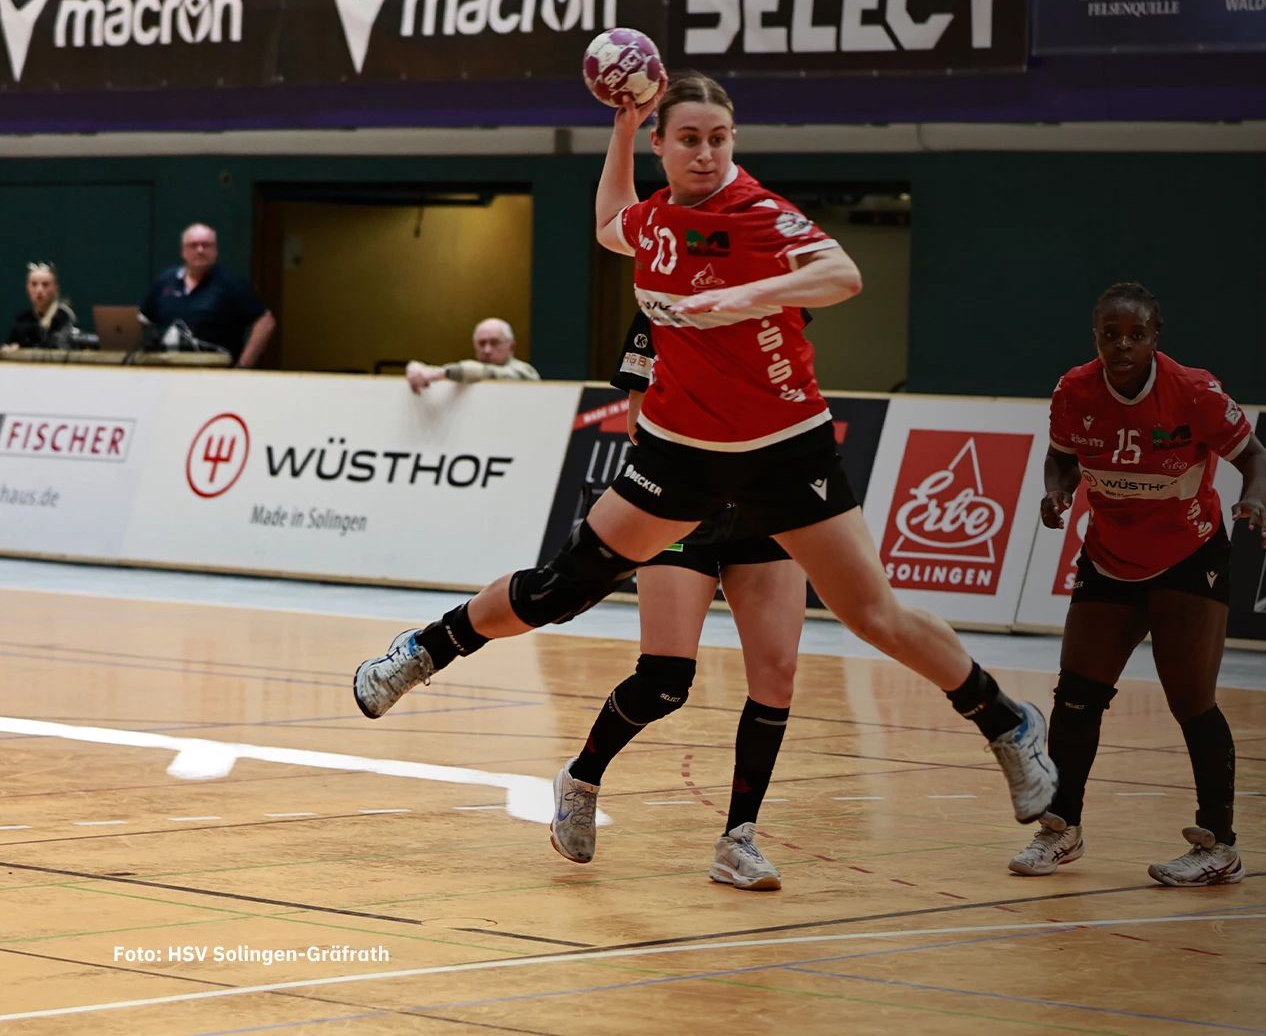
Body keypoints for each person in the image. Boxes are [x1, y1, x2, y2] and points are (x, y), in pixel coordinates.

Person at [350, 72, 1057, 829]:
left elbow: (842, 275)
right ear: (661, 144)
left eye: (719, 139)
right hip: (680, 451)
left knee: (872, 616)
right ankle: (424, 650)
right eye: (689, 139)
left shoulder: (756, 212)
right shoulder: (654, 218)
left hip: (783, 448)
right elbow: (610, 223)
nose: (707, 153)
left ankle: (1007, 722)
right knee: (563, 587)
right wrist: (622, 128)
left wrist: (749, 295)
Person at [1007, 282, 1266, 886]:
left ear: (1156, 338)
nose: (1123, 345)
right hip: (1108, 556)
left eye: (1136, 334)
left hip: (1189, 556)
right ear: (1095, 338)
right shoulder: (1074, 391)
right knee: (1076, 696)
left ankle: (1220, 846)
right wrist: (1056, 490)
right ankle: (1061, 829)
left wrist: (1256, 501)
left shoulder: (1195, 391)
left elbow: (1259, 459)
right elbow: (1061, 456)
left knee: (1191, 702)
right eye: (1111, 334)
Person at [549, 319, 803, 889]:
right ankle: (582, 778)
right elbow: (638, 424)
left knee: (777, 676)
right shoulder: (663, 310)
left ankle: (737, 840)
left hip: (766, 507)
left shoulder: (778, 308)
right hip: (685, 504)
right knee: (666, 680)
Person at [138, 224, 276, 367]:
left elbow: (265, 322)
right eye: (193, 245)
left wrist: (242, 366)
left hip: (216, 371)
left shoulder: (232, 284)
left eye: (206, 245)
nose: (200, 250)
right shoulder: (165, 281)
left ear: (215, 250)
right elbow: (141, 321)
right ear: (183, 251)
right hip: (168, 370)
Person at [405, 318, 540, 393]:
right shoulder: (466, 374)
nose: (487, 350)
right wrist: (417, 369)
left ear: (511, 346)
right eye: (482, 343)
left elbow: (487, 373)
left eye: (494, 343)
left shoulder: (526, 372)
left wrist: (441, 372)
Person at [4, 263, 80, 350]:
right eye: (34, 284)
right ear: (27, 288)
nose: (39, 290)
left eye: (45, 284)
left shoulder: (65, 318)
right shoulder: (22, 320)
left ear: (56, 288)